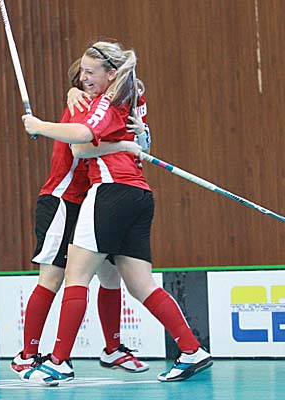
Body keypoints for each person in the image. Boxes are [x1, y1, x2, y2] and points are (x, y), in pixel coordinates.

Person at [20, 41, 212, 385]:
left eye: (90, 72)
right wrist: (123, 141)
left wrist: (38, 125)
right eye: (81, 73)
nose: (83, 78)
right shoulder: (133, 94)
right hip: (140, 195)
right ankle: (191, 350)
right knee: (141, 284)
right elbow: (141, 143)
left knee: (76, 277)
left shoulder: (106, 101)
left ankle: (59, 362)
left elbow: (81, 141)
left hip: (110, 191)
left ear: (111, 74)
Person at [10, 58, 150, 376]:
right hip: (64, 200)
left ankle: (113, 349)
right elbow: (82, 144)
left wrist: (138, 137)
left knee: (110, 276)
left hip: (97, 201)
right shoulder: (84, 105)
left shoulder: (108, 107)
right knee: (53, 278)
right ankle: (27, 355)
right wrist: (41, 124)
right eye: (85, 76)